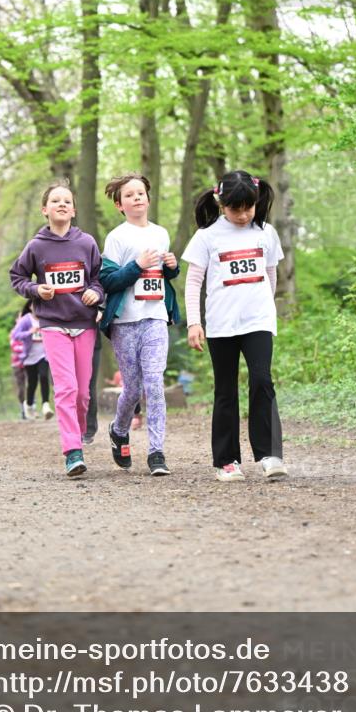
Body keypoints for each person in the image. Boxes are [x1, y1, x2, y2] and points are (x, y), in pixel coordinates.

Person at [182, 169, 287, 482]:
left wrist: (266, 309)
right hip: (221, 325)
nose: (243, 215)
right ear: (220, 203)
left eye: (249, 207)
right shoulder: (207, 236)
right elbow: (193, 282)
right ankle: (227, 461)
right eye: (236, 208)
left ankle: (270, 454)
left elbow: (271, 275)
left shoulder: (266, 232)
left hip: (258, 321)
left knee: (262, 381)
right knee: (226, 391)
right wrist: (193, 322)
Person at [9, 180, 103, 477]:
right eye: (56, 201)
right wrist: (37, 290)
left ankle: (78, 433)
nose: (62, 204)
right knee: (66, 388)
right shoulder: (36, 246)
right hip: (52, 325)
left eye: (67, 201)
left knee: (83, 395)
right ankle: (72, 451)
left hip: (84, 323)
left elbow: (100, 280)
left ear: (73, 210)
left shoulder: (86, 243)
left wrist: (96, 294)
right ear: (45, 210)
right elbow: (17, 277)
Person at [100, 173, 180, 477]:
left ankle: (156, 452)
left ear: (148, 197)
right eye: (129, 195)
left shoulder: (161, 233)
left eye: (140, 193)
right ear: (120, 205)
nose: (136, 198)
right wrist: (137, 266)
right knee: (132, 388)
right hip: (125, 321)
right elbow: (108, 281)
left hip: (156, 316)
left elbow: (162, 276)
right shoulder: (117, 237)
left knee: (154, 384)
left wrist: (172, 269)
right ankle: (119, 429)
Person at [12, 300, 53, 421]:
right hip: (29, 356)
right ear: (30, 307)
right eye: (35, 305)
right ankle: (29, 405)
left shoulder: (46, 318)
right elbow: (15, 335)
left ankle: (46, 405)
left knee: (44, 376)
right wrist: (30, 332)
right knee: (32, 383)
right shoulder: (26, 319)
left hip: (43, 355)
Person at [9, 312, 27, 420]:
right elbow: (14, 347)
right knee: (21, 388)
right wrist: (27, 349)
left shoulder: (31, 329)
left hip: (30, 362)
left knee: (31, 386)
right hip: (17, 364)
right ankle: (23, 410)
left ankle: (31, 408)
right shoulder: (14, 332)